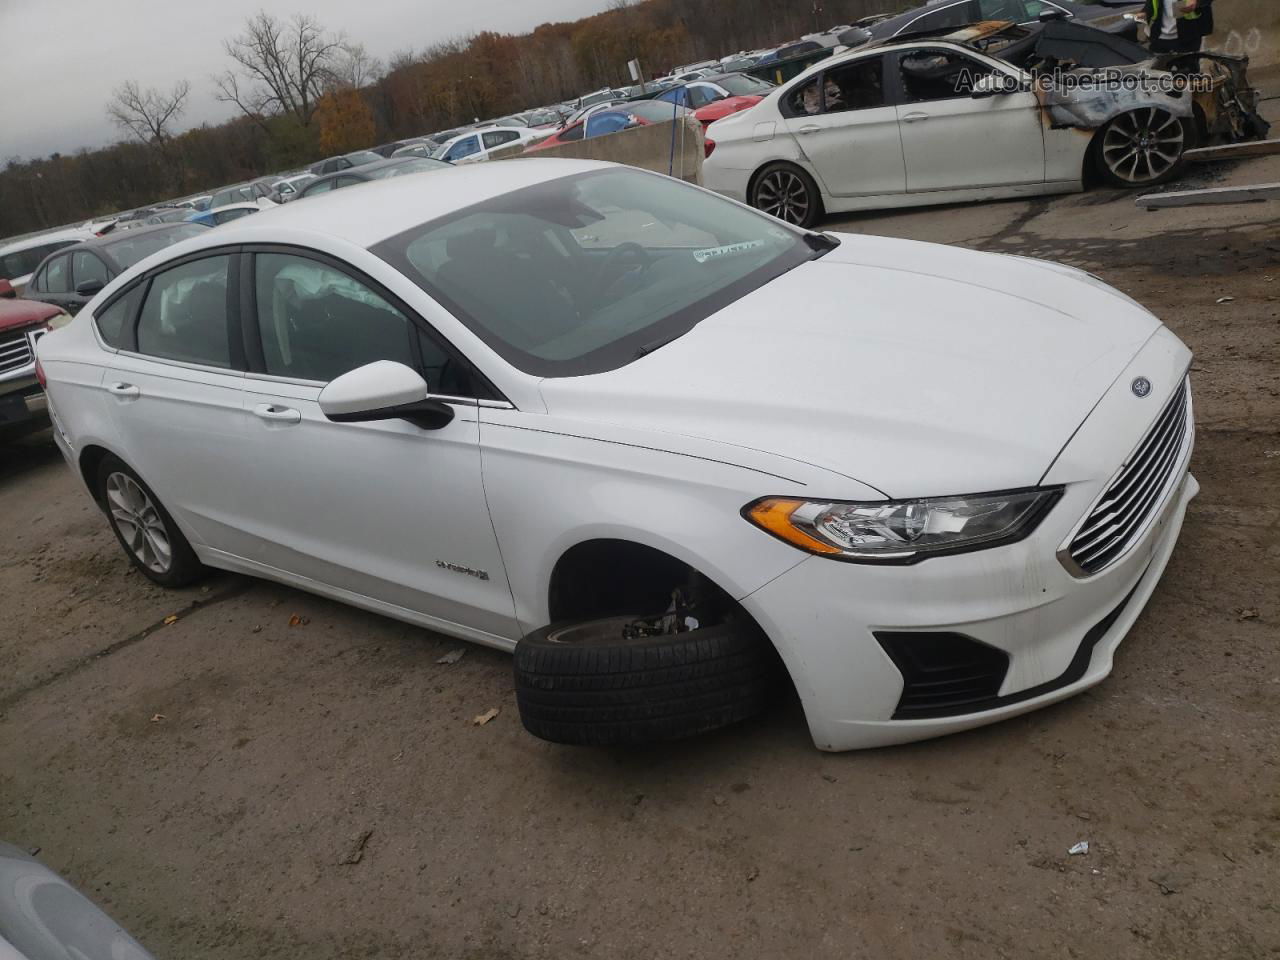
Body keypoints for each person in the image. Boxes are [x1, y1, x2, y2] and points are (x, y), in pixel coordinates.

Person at [1147, 0, 1214, 54]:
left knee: (1187, 69)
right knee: (1155, 68)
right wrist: (1144, 12)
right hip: (1159, 35)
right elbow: (1151, 2)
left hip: (1188, 35)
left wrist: (1197, 1)